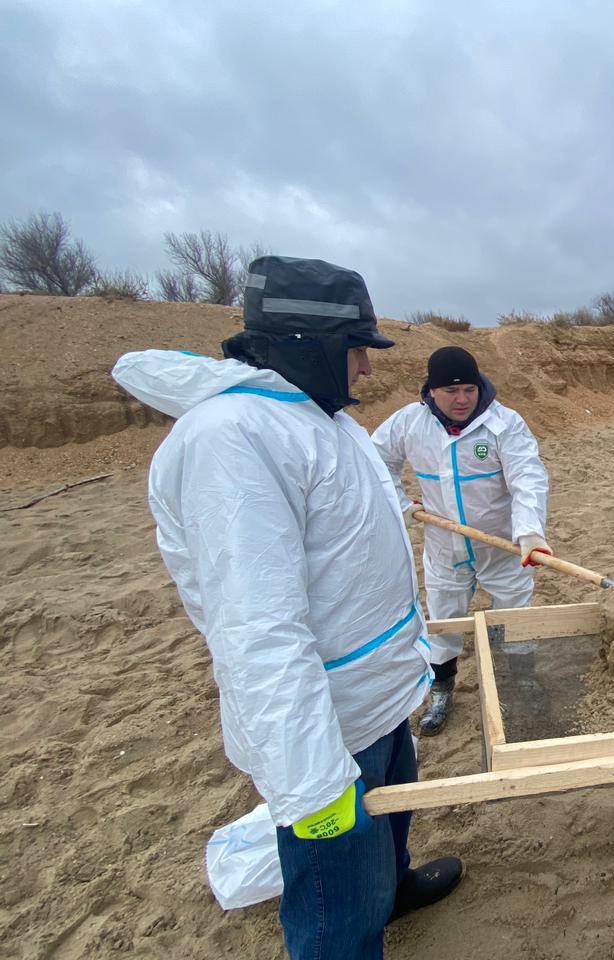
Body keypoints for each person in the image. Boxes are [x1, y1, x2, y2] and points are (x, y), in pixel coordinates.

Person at [112, 256, 463, 960]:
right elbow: (256, 628)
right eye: (357, 350)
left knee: (388, 821)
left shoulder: (318, 419)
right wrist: (310, 781)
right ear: (311, 343)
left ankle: (390, 891)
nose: (365, 368)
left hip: (375, 692)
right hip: (324, 719)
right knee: (336, 890)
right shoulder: (232, 440)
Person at [372, 345, 550, 736]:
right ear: (431, 391)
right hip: (443, 545)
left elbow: (528, 478)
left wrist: (530, 532)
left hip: (503, 547)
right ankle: (442, 685)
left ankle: (519, 678)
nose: (462, 399)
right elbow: (375, 461)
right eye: (451, 391)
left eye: (469, 389)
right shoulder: (409, 424)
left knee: (514, 616)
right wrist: (404, 507)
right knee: (445, 619)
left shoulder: (504, 424)